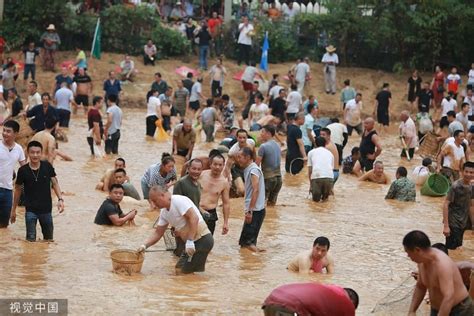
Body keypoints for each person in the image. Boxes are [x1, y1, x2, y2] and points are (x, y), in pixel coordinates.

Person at [138, 186, 214, 274]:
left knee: (182, 272)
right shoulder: (164, 213)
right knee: (182, 271)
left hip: (202, 239)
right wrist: (144, 246)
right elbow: (158, 233)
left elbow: (194, 218)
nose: (154, 205)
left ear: (162, 195)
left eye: (155, 201)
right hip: (193, 243)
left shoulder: (178, 201)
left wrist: (190, 241)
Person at [403, 230, 474, 315]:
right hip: (437, 308)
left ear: (417, 250)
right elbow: (420, 286)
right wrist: (412, 311)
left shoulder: (442, 265)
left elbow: (449, 297)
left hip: (459, 310)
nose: (408, 256)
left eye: (408, 252)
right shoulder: (421, 262)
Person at [11, 141, 64, 241]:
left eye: (37, 152)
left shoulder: (47, 166)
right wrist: (13, 210)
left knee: (49, 240)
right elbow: (17, 190)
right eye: (32, 152)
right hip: (30, 211)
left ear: (41, 153)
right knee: (30, 241)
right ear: (28, 153)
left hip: (46, 210)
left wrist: (60, 199)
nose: (35, 155)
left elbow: (55, 183)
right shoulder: (23, 170)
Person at [262, 283, 358, 316]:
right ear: (352, 302)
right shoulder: (347, 304)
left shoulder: (327, 289)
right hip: (291, 308)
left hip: (271, 300)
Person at [237, 147, 266, 252]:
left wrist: (250, 211)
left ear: (248, 157)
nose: (238, 159)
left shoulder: (253, 170)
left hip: (255, 210)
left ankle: (255, 261)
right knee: (244, 243)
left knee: (249, 244)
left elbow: (256, 190)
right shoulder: (250, 168)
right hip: (254, 209)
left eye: (240, 157)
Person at [0, 121, 27, 228]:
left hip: (8, 191)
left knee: (4, 226)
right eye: (4, 131)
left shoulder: (19, 149)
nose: (5, 133)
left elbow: (24, 169)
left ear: (15, 134)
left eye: (8, 131)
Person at [443, 161, 474, 250]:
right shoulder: (455, 186)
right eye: (466, 171)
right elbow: (446, 204)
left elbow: (471, 205)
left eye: (471, 172)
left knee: (458, 248)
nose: (468, 174)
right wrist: (446, 226)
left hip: (463, 222)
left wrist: (473, 224)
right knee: (452, 249)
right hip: (453, 222)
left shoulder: (472, 186)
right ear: (462, 172)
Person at [200, 153, 231, 235]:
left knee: (207, 242)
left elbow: (226, 204)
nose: (217, 167)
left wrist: (225, 223)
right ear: (210, 164)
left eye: (220, 165)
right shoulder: (201, 175)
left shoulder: (224, 183)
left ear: (223, 166)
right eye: (215, 164)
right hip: (197, 210)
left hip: (211, 214)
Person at [256, 125, 282, 206]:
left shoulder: (263, 146)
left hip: (268, 179)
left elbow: (256, 165)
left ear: (268, 133)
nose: (260, 134)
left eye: (262, 132)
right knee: (271, 205)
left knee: (259, 204)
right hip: (279, 179)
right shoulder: (278, 145)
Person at [225, 128, 255, 196]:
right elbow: (227, 166)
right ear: (237, 138)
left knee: (252, 191)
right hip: (237, 170)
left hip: (249, 168)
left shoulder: (251, 143)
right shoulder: (233, 151)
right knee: (242, 190)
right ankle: (234, 186)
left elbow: (254, 155)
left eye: (244, 138)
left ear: (247, 137)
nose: (242, 140)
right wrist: (228, 179)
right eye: (240, 138)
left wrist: (257, 168)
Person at [307, 137, 334, 202]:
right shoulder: (330, 154)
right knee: (325, 201)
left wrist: (311, 185)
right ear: (325, 144)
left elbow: (310, 170)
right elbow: (331, 169)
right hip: (329, 178)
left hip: (317, 177)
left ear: (315, 144)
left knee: (315, 202)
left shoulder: (311, 152)